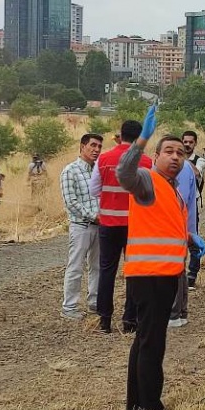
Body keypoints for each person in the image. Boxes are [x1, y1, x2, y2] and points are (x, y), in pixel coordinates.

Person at [117, 106, 205, 410]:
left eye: (180, 153)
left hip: (165, 274)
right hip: (149, 275)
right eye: (168, 151)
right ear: (155, 157)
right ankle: (151, 406)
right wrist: (142, 138)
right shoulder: (147, 180)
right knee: (153, 343)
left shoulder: (172, 190)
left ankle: (135, 406)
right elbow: (123, 173)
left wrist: (190, 240)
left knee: (146, 339)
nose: (175, 157)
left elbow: (166, 227)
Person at [89, 120, 152, 334]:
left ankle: (104, 319)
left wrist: (110, 197)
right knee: (133, 272)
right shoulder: (146, 162)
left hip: (108, 224)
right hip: (135, 226)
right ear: (138, 138)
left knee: (107, 271)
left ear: (120, 135)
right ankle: (130, 320)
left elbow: (93, 189)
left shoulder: (104, 159)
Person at [59, 133, 103, 321]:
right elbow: (71, 201)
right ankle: (69, 306)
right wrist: (94, 216)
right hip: (81, 226)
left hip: (99, 226)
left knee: (97, 266)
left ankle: (94, 301)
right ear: (82, 146)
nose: (96, 150)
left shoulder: (98, 171)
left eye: (99, 146)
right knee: (75, 266)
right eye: (93, 145)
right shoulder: (70, 171)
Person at [169, 159, 198, 327]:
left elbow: (182, 203)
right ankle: (179, 313)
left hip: (177, 232)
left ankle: (175, 314)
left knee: (175, 271)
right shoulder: (179, 171)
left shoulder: (182, 169)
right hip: (180, 231)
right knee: (178, 271)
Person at [182, 130, 205, 289]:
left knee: (192, 238)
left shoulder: (200, 161)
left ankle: (192, 275)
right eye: (184, 141)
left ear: (195, 143)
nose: (187, 144)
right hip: (176, 204)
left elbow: (197, 173)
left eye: (190, 142)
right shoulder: (175, 159)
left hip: (192, 205)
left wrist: (184, 160)